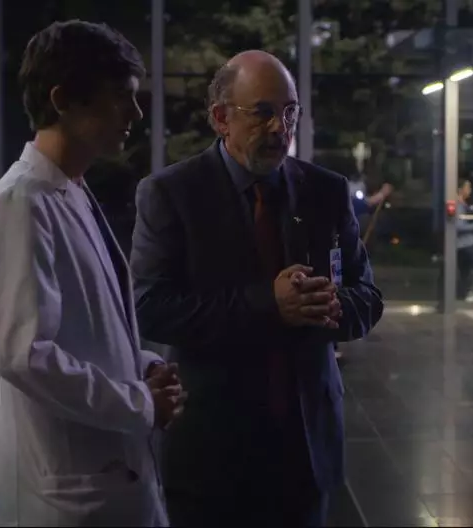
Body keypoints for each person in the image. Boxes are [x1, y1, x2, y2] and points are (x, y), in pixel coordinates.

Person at [129, 49, 384, 526]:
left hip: (306, 451)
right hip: (212, 455)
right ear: (220, 118)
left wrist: (327, 305)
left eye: (289, 112)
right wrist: (270, 304)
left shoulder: (325, 191)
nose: (279, 128)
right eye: (262, 112)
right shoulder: (171, 194)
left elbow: (367, 297)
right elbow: (149, 306)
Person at [0, 20, 185, 527]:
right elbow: (23, 354)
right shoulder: (20, 202)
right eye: (121, 96)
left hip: (110, 478)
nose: (135, 113)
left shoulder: (71, 190)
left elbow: (86, 330)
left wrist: (141, 366)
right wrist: (138, 403)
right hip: (70, 498)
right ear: (64, 99)